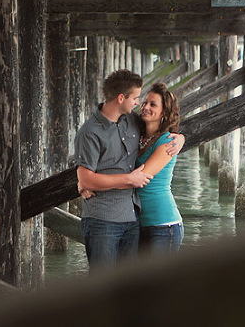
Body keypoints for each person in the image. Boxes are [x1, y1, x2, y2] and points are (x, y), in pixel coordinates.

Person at [75, 69, 183, 268]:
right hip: (113, 219)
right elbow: (88, 176)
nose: (142, 105)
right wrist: (86, 182)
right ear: (121, 98)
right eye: (139, 99)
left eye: (151, 103)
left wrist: (181, 138)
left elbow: (141, 176)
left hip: (148, 221)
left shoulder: (147, 130)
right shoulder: (99, 130)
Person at [136, 82, 184, 253]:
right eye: (145, 102)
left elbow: (141, 177)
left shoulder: (168, 141)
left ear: (164, 112)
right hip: (140, 223)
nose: (145, 107)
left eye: (153, 104)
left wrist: (95, 183)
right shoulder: (138, 137)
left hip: (164, 225)